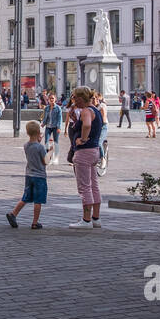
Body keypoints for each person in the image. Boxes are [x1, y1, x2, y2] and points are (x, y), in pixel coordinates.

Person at [67, 87, 103, 229]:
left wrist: (82, 138)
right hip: (94, 150)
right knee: (94, 185)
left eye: (75, 98)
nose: (74, 100)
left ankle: (86, 220)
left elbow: (87, 124)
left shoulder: (86, 111)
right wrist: (77, 121)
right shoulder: (96, 110)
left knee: (84, 187)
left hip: (84, 152)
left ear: (81, 98)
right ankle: (96, 218)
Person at [7, 120, 51, 230]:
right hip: (39, 176)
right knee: (38, 200)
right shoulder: (40, 147)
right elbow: (46, 161)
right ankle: (35, 223)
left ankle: (13, 213)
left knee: (26, 197)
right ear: (38, 133)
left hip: (29, 175)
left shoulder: (26, 145)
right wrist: (51, 151)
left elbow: (33, 152)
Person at [39, 91, 63, 164]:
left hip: (55, 127)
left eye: (52, 98)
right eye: (50, 98)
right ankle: (48, 157)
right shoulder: (47, 108)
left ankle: (56, 158)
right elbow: (45, 117)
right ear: (48, 99)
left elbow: (60, 118)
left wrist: (59, 127)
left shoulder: (58, 108)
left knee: (56, 142)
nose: (51, 100)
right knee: (46, 142)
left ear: (55, 99)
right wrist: (43, 123)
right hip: (48, 127)